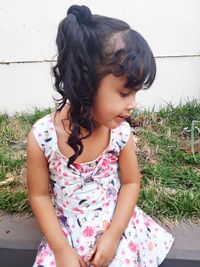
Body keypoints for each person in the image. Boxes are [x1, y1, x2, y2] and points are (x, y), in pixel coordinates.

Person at [27, 5, 174, 267]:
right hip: (65, 237)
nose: (133, 104)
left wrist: (114, 236)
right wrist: (61, 250)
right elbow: (38, 195)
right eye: (124, 93)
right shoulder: (43, 137)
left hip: (116, 227)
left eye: (136, 93)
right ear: (85, 82)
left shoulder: (119, 133)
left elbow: (130, 183)